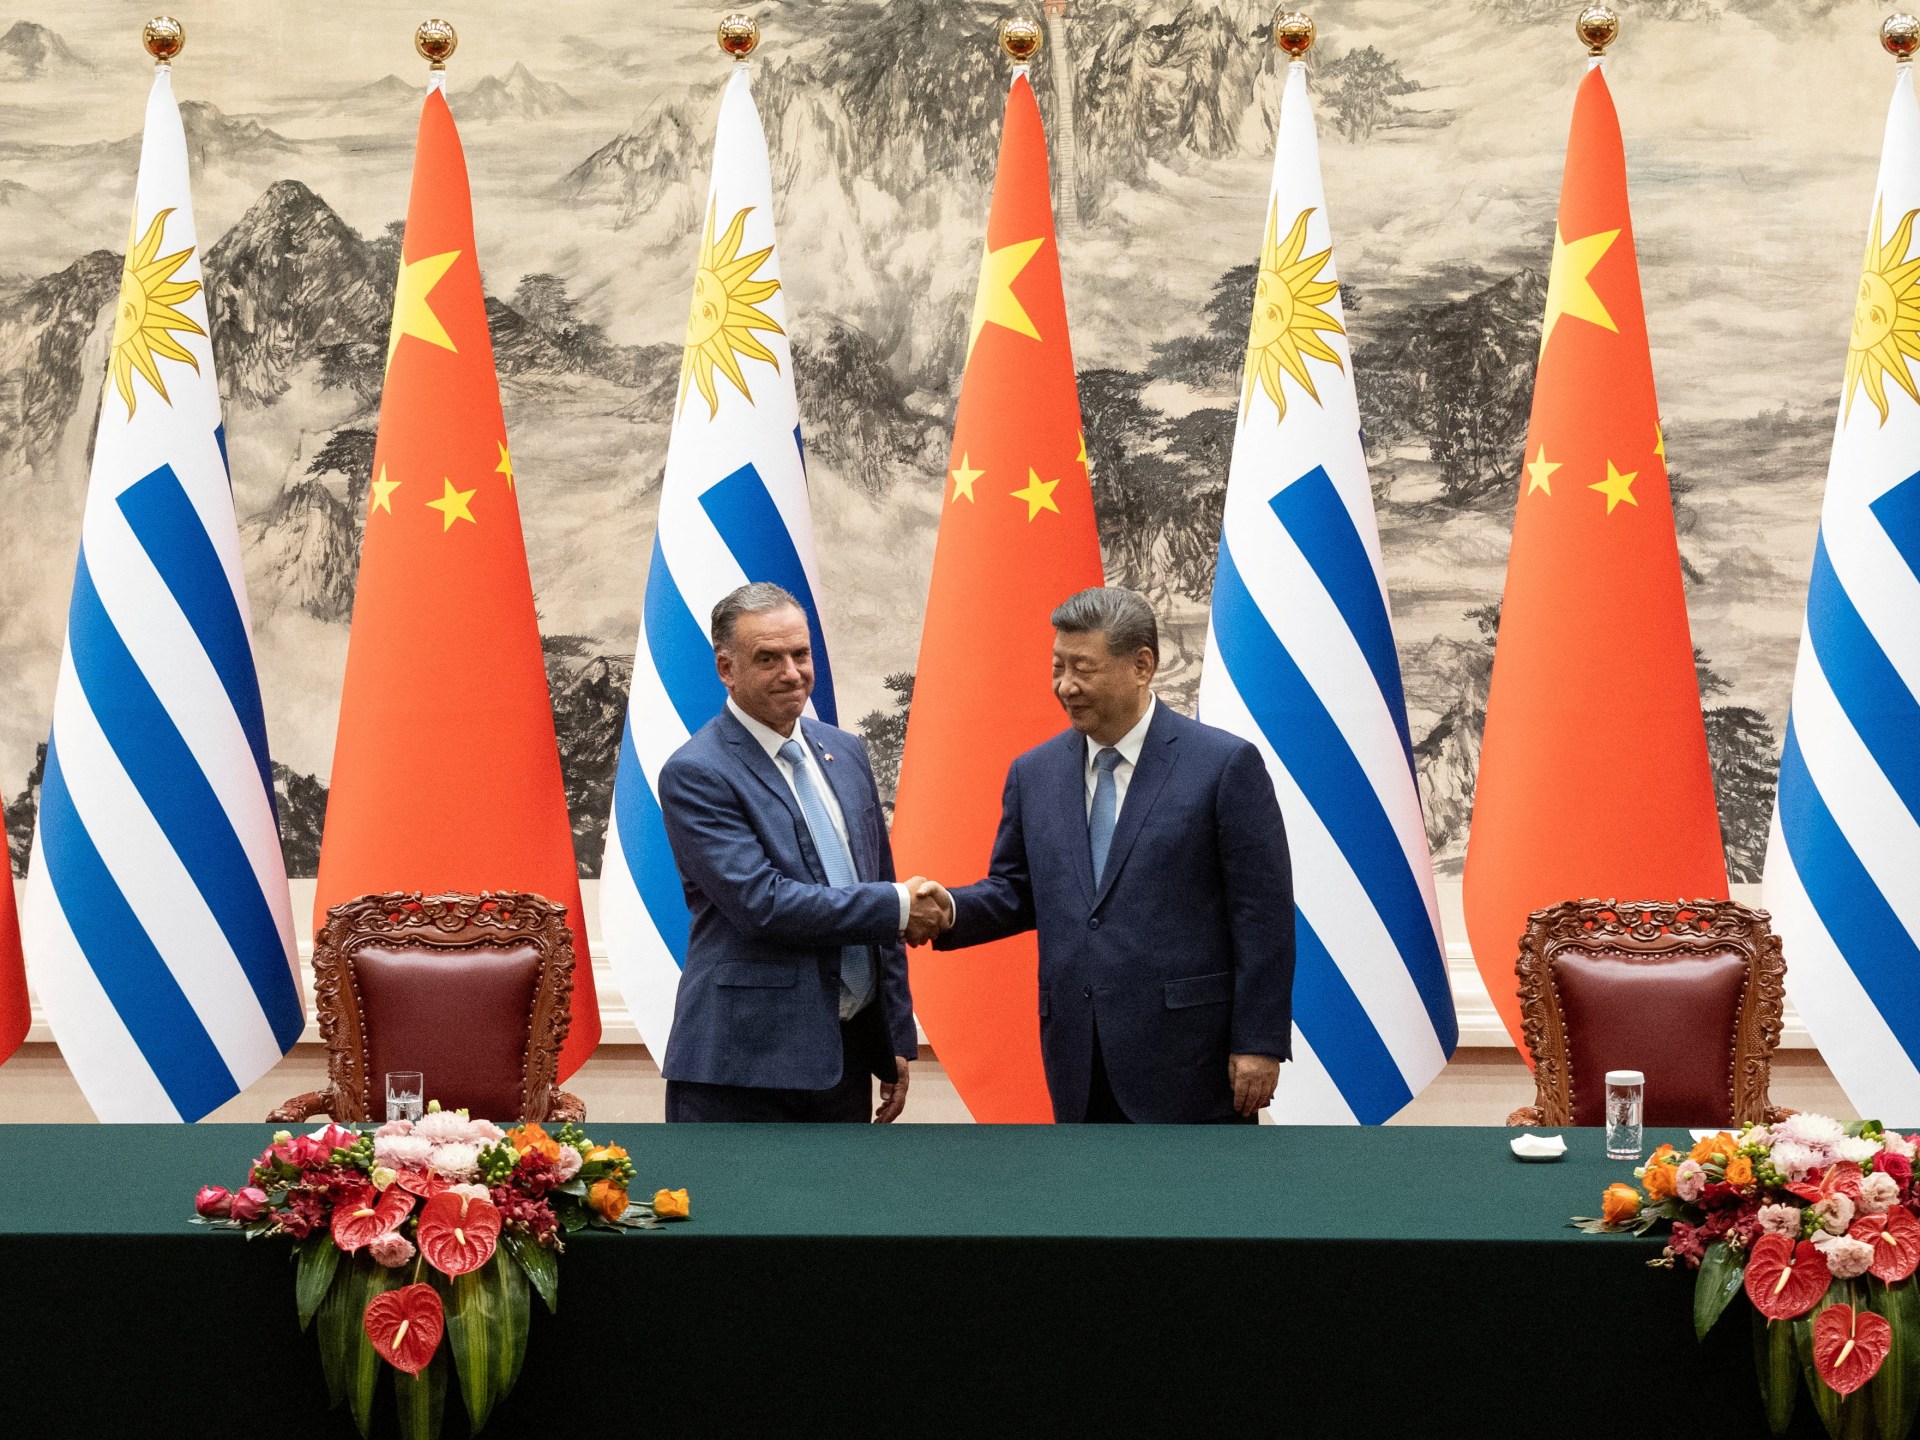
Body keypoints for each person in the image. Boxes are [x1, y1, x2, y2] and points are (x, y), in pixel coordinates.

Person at [921, 586, 1295, 1124]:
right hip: (1078, 1057)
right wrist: (949, 910)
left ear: (1141, 666)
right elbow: (1018, 890)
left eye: (1083, 668)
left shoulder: (1223, 766)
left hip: (1192, 1063)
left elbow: (1262, 916)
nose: (1065, 685)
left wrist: (1258, 1040)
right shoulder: (1034, 773)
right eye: (1058, 666)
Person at [657, 582, 947, 1122]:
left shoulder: (845, 751)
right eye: (768, 658)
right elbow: (763, 904)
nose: (792, 673)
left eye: (801, 654)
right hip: (743, 1068)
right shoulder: (697, 771)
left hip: (845, 1058)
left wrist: (894, 1036)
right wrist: (901, 905)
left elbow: (877, 882)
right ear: (726, 669)